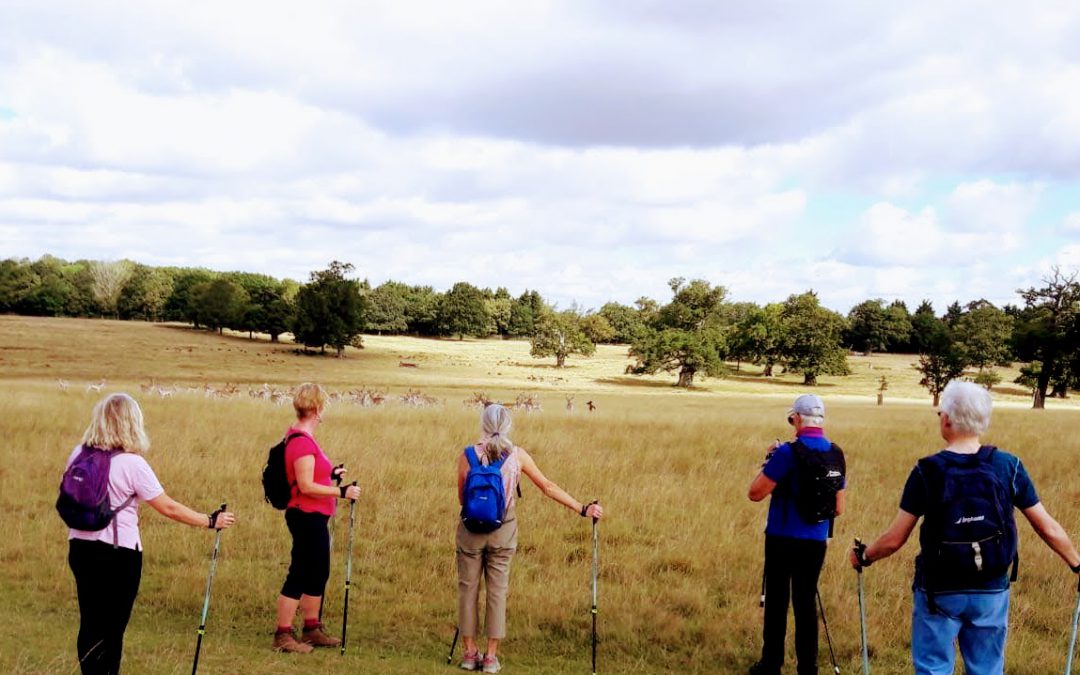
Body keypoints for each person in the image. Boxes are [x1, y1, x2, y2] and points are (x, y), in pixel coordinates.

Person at [850, 380, 1080, 674]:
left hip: (939, 589)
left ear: (947, 419)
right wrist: (1076, 563)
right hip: (992, 588)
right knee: (986, 668)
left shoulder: (926, 471)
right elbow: (1047, 527)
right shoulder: (1009, 466)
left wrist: (865, 556)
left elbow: (895, 539)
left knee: (933, 667)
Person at [64, 393, 236, 675]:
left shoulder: (79, 455)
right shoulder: (132, 463)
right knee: (114, 626)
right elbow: (168, 507)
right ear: (133, 423)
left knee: (91, 620)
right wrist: (209, 521)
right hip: (119, 554)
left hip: (81, 546)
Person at [455, 404, 604, 673]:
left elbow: (461, 497)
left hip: (470, 531)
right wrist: (582, 508)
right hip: (504, 528)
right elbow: (547, 487)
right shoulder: (517, 455)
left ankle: (468, 654)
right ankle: (490, 657)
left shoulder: (467, 455)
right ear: (508, 425)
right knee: (497, 592)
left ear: (483, 424)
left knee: (468, 590)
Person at [747, 394, 846, 675]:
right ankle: (808, 668)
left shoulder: (787, 453)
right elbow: (838, 508)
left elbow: (755, 493)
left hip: (782, 537)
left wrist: (768, 460)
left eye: (793, 419)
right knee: (805, 603)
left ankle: (771, 664)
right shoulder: (836, 453)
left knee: (777, 602)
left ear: (798, 419)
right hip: (815, 541)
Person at [273, 382, 361, 653]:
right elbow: (305, 486)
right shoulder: (300, 442)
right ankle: (283, 635)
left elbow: (312, 477)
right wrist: (341, 491)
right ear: (317, 409)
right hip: (305, 515)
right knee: (300, 571)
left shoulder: (303, 439)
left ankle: (312, 628)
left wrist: (331, 474)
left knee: (318, 571)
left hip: (316, 515)